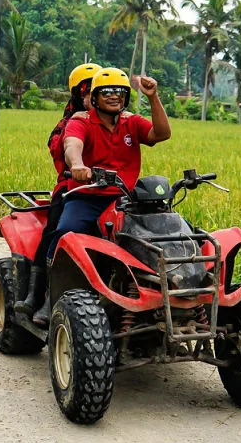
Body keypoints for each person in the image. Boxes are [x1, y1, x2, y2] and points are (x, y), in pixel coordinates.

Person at [33, 67, 171, 325]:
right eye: (106, 91)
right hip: (87, 196)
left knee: (158, 235)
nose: (114, 96)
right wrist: (76, 165)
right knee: (66, 232)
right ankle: (49, 297)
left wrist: (153, 97)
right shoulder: (81, 120)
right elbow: (72, 144)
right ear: (94, 96)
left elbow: (161, 134)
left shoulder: (131, 121)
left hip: (123, 200)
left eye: (120, 92)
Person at [14, 63, 100, 320]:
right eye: (88, 92)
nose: (92, 98)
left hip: (111, 191)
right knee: (55, 230)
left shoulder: (116, 122)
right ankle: (40, 295)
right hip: (71, 188)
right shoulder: (69, 124)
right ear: (78, 94)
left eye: (98, 91)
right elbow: (63, 148)